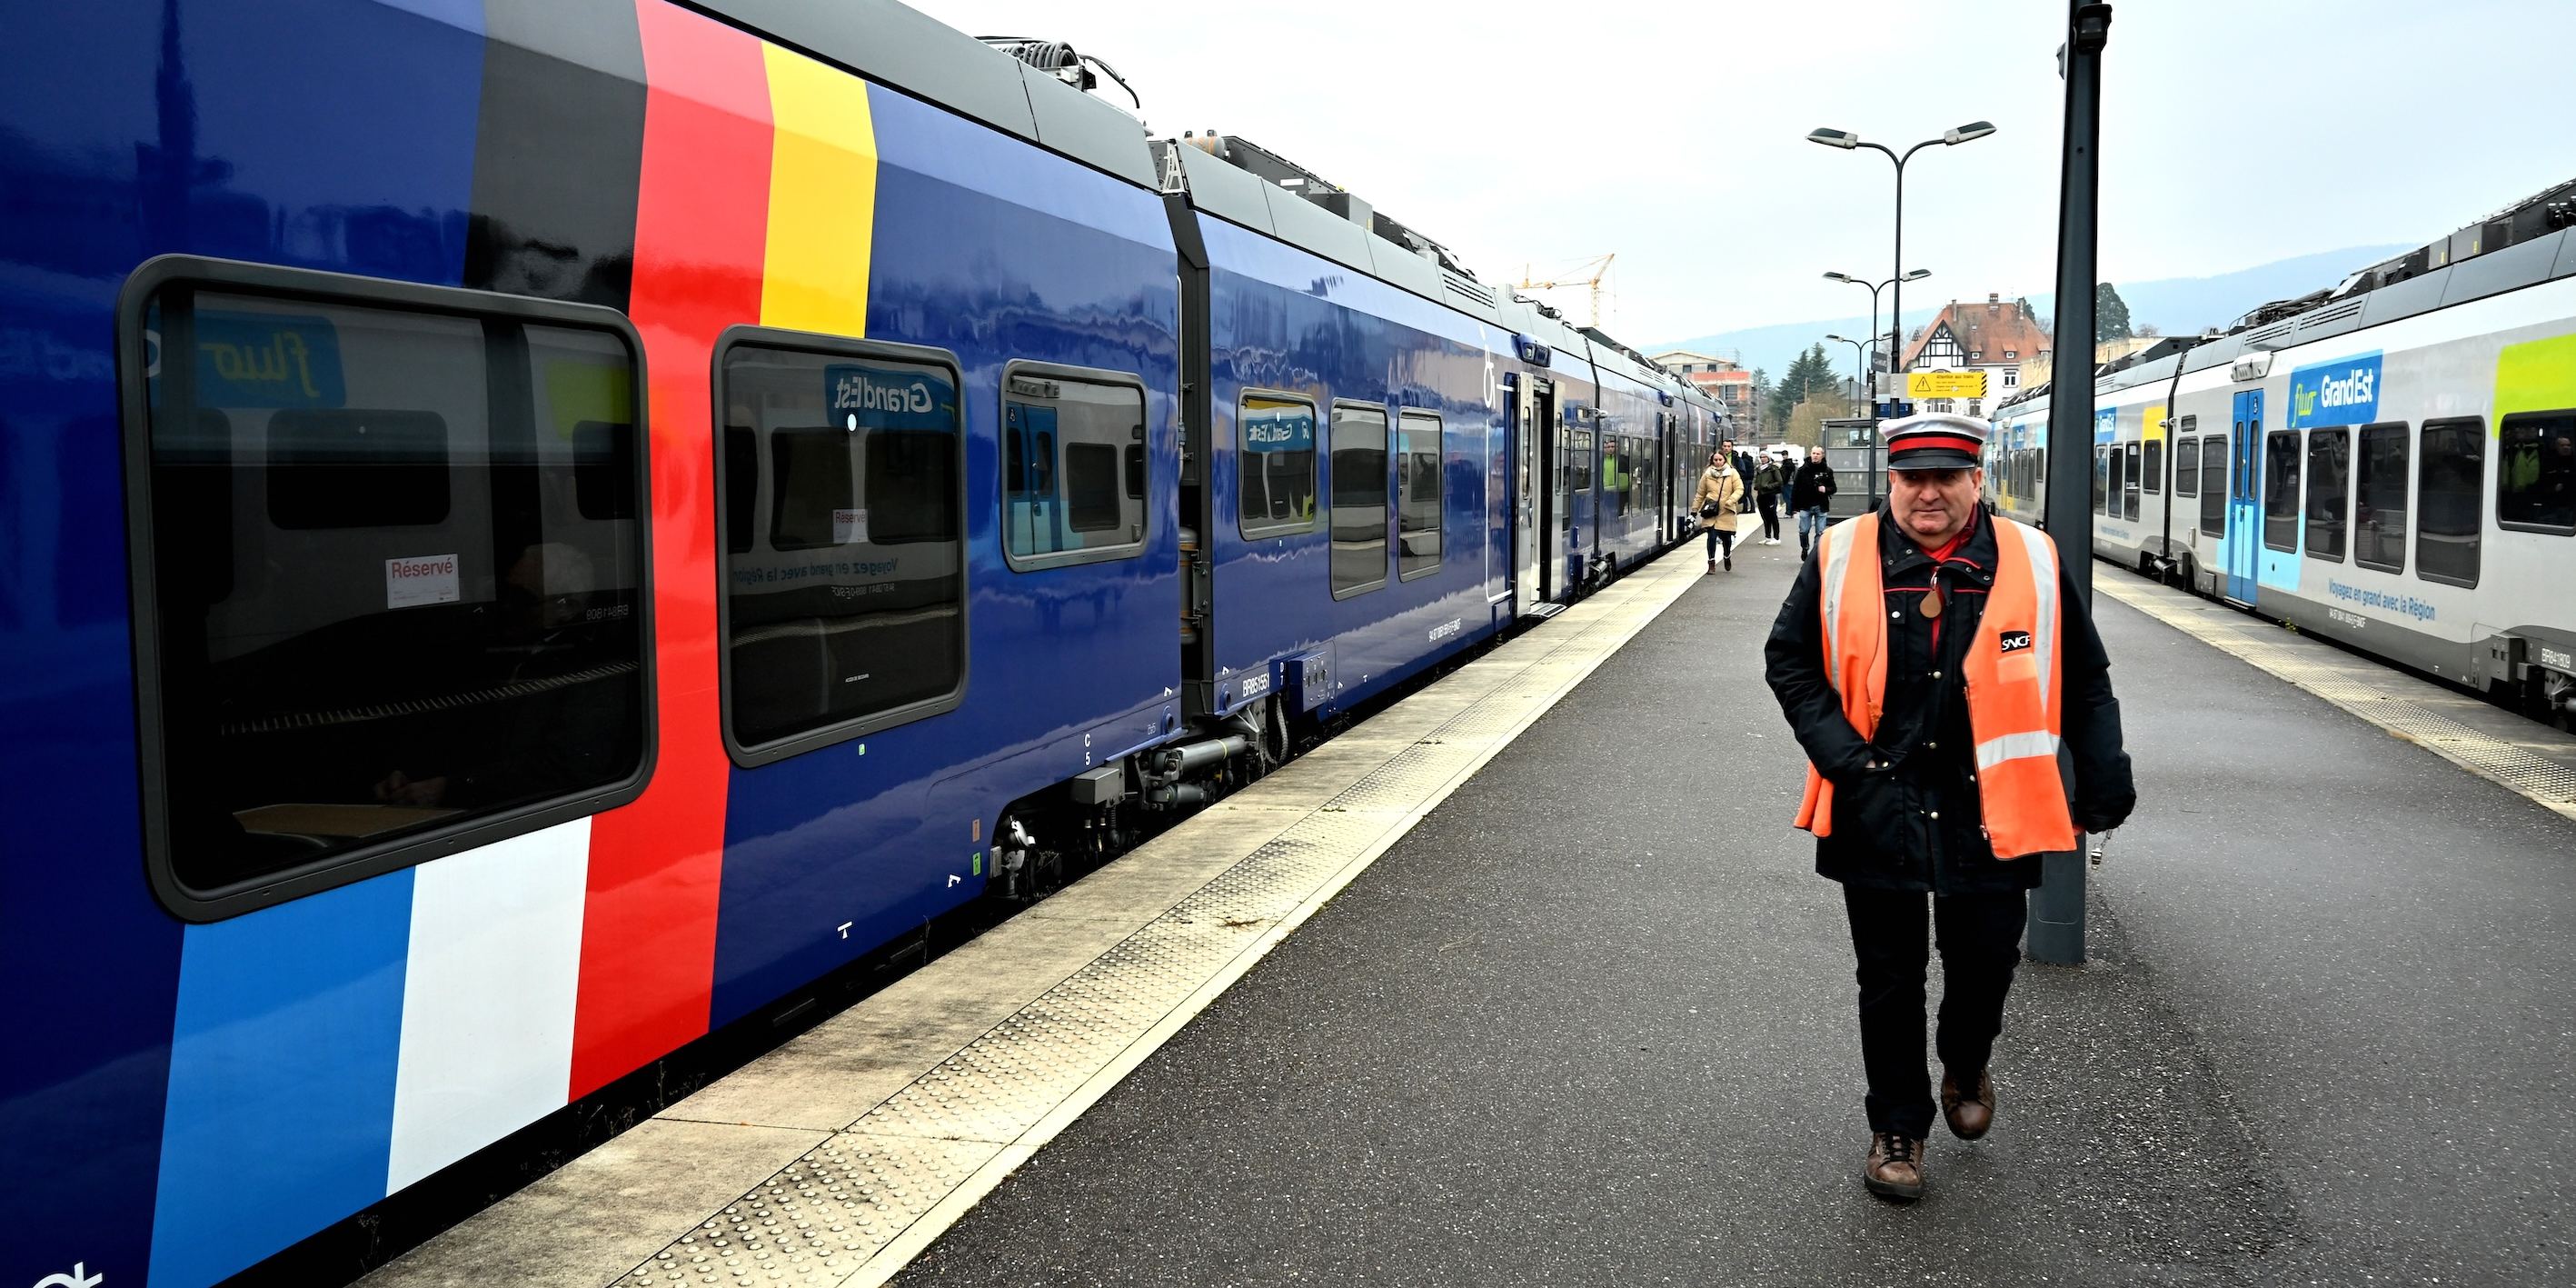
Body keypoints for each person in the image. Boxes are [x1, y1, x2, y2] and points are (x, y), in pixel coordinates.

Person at [1762, 413, 2135, 1203]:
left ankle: (1965, 1058)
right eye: (1911, 478)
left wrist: (2105, 777)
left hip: (1993, 806)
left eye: (1945, 477)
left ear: (1976, 481)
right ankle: (1897, 1127)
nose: (1927, 493)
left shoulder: (2032, 559)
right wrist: (1842, 758)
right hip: (1878, 797)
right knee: (1889, 977)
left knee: (1983, 966)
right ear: (1890, 481)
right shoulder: (1837, 553)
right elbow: (1788, 659)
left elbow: (2084, 677)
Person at [1691, 448, 1745, 574]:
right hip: (1711, 510)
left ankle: (1727, 555)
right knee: (1712, 536)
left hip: (1727, 510)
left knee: (1726, 538)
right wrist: (1694, 511)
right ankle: (1711, 563)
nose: (1718, 462)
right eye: (1715, 460)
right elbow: (1700, 494)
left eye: (1720, 460)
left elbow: (1739, 489)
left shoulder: (1732, 473)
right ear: (1712, 461)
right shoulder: (1707, 475)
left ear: (1724, 460)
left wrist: (1732, 499)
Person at [1789, 446, 1838, 558]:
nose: (1815, 456)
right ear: (1810, 454)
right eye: (1813, 453)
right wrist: (1793, 507)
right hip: (1805, 505)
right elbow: (1795, 489)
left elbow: (1833, 488)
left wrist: (1826, 489)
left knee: (1820, 533)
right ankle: (1805, 548)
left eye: (1818, 454)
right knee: (1804, 531)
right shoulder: (1802, 470)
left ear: (1822, 455)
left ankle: (1814, 554)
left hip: (1821, 505)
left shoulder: (1827, 470)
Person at [1752, 452, 1786, 545]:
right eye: (1761, 457)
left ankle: (1776, 537)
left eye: (1764, 457)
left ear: (1768, 458)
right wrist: (1757, 486)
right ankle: (1767, 537)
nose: (1763, 459)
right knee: (1765, 517)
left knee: (1772, 516)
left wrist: (1769, 486)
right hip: (1761, 495)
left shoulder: (1773, 469)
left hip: (1770, 495)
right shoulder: (1759, 469)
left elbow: (1780, 481)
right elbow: (1756, 479)